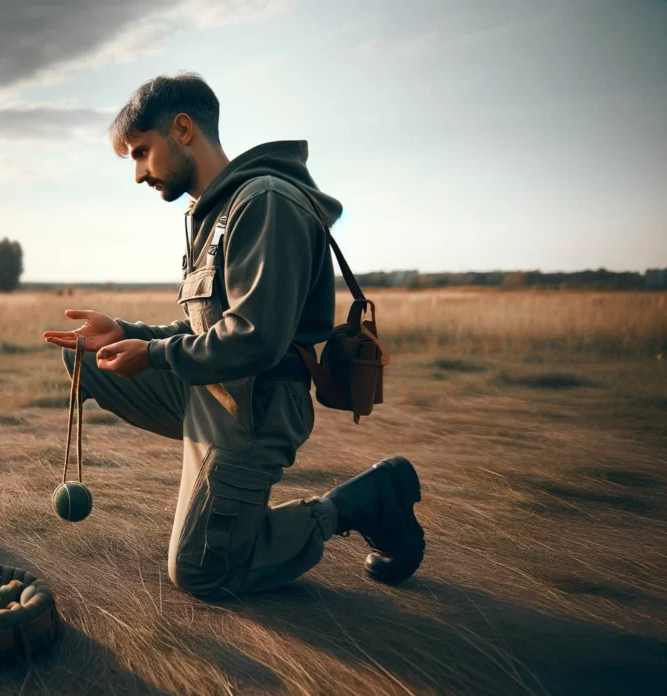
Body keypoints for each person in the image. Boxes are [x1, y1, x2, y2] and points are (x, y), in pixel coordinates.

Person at [43, 73, 425, 598]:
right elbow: (210, 329)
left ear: (182, 129)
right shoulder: (213, 212)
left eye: (141, 152)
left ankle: (363, 501)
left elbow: (256, 338)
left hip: (257, 402)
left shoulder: (264, 202)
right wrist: (128, 334)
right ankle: (214, 482)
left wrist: (153, 353)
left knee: (202, 571)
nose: (137, 174)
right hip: (214, 389)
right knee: (88, 358)